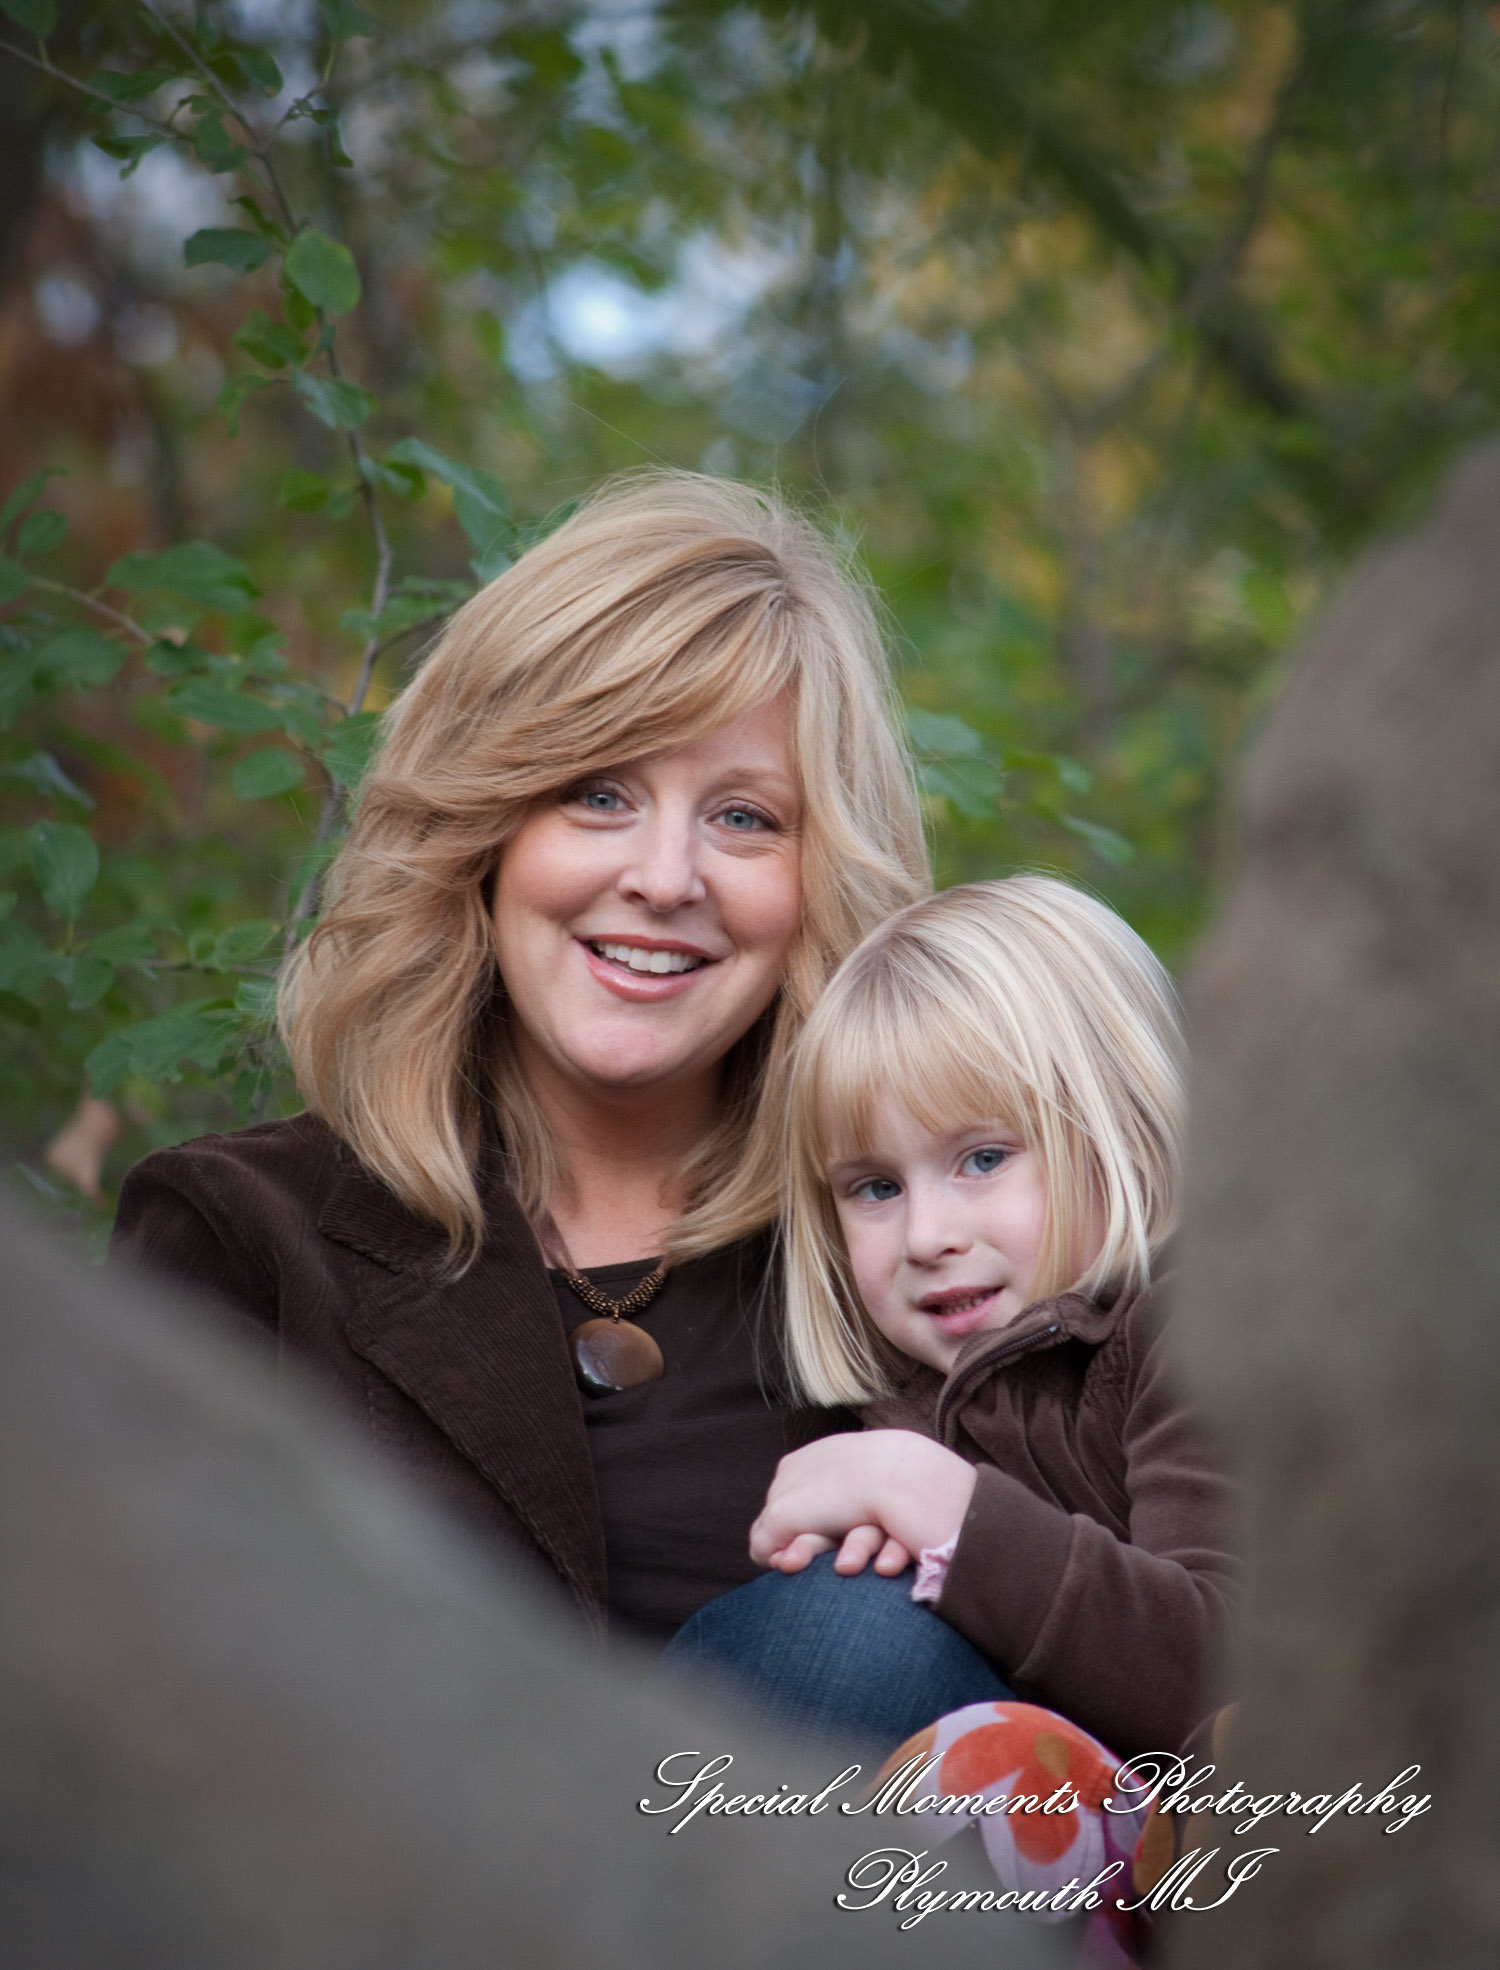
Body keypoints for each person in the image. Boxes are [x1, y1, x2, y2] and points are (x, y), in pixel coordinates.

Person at [110, 472, 930, 1644]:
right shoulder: (239, 1235)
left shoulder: (924, 1250)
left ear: (823, 878)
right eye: (599, 793)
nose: (665, 877)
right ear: (482, 830)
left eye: (745, 816)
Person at [665, 876, 1235, 1754]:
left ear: (1125, 1129)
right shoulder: (890, 1408)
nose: (927, 1236)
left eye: (983, 1158)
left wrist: (947, 1510)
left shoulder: (1196, 1335)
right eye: (876, 1188)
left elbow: (1224, 1670)